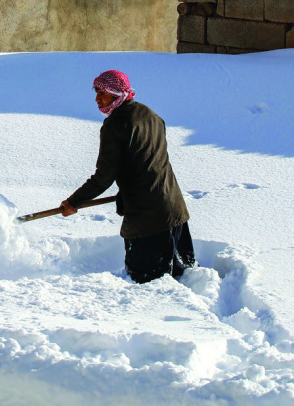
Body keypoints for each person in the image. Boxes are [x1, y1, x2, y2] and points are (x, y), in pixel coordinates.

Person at [61, 69, 195, 283]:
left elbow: (104, 177)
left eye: (102, 93)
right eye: (95, 92)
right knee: (183, 277)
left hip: (148, 222)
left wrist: (73, 202)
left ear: (116, 93)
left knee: (147, 285)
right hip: (175, 211)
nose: (97, 99)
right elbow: (147, 163)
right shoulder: (152, 115)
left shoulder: (116, 125)